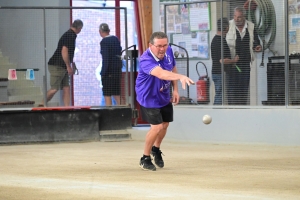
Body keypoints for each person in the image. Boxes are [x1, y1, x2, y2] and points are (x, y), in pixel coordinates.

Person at [135, 32, 194, 171]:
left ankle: (156, 149)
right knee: (157, 127)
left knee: (165, 124)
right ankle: (145, 158)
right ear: (151, 45)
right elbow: (161, 73)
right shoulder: (145, 59)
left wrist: (175, 89)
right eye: (159, 46)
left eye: (165, 45)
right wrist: (180, 77)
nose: (162, 49)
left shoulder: (168, 52)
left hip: (163, 94)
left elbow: (171, 68)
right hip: (148, 97)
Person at [226, 7, 261, 105]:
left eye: (239, 17)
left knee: (244, 88)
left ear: (244, 17)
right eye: (235, 16)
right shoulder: (228, 25)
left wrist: (257, 46)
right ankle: (232, 111)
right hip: (232, 64)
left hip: (245, 64)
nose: (236, 19)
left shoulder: (251, 26)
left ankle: (242, 109)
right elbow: (223, 42)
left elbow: (255, 41)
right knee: (232, 90)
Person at [45, 19, 83, 106]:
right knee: (54, 89)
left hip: (63, 66)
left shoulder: (70, 34)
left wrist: (70, 64)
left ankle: (67, 108)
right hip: (57, 65)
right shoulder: (70, 35)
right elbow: (64, 51)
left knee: (66, 88)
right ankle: (41, 105)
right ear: (79, 28)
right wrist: (68, 66)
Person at [211, 18, 239, 105]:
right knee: (220, 96)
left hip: (216, 72)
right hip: (220, 73)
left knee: (219, 94)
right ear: (227, 28)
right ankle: (216, 114)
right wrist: (233, 60)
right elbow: (222, 60)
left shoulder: (215, 39)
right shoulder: (220, 41)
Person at [99, 23, 122, 106]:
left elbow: (106, 58)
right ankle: (123, 114)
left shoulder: (104, 42)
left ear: (100, 32)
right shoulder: (116, 39)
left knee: (107, 94)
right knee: (117, 94)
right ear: (109, 30)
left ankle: (109, 115)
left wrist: (103, 73)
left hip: (108, 72)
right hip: (117, 71)